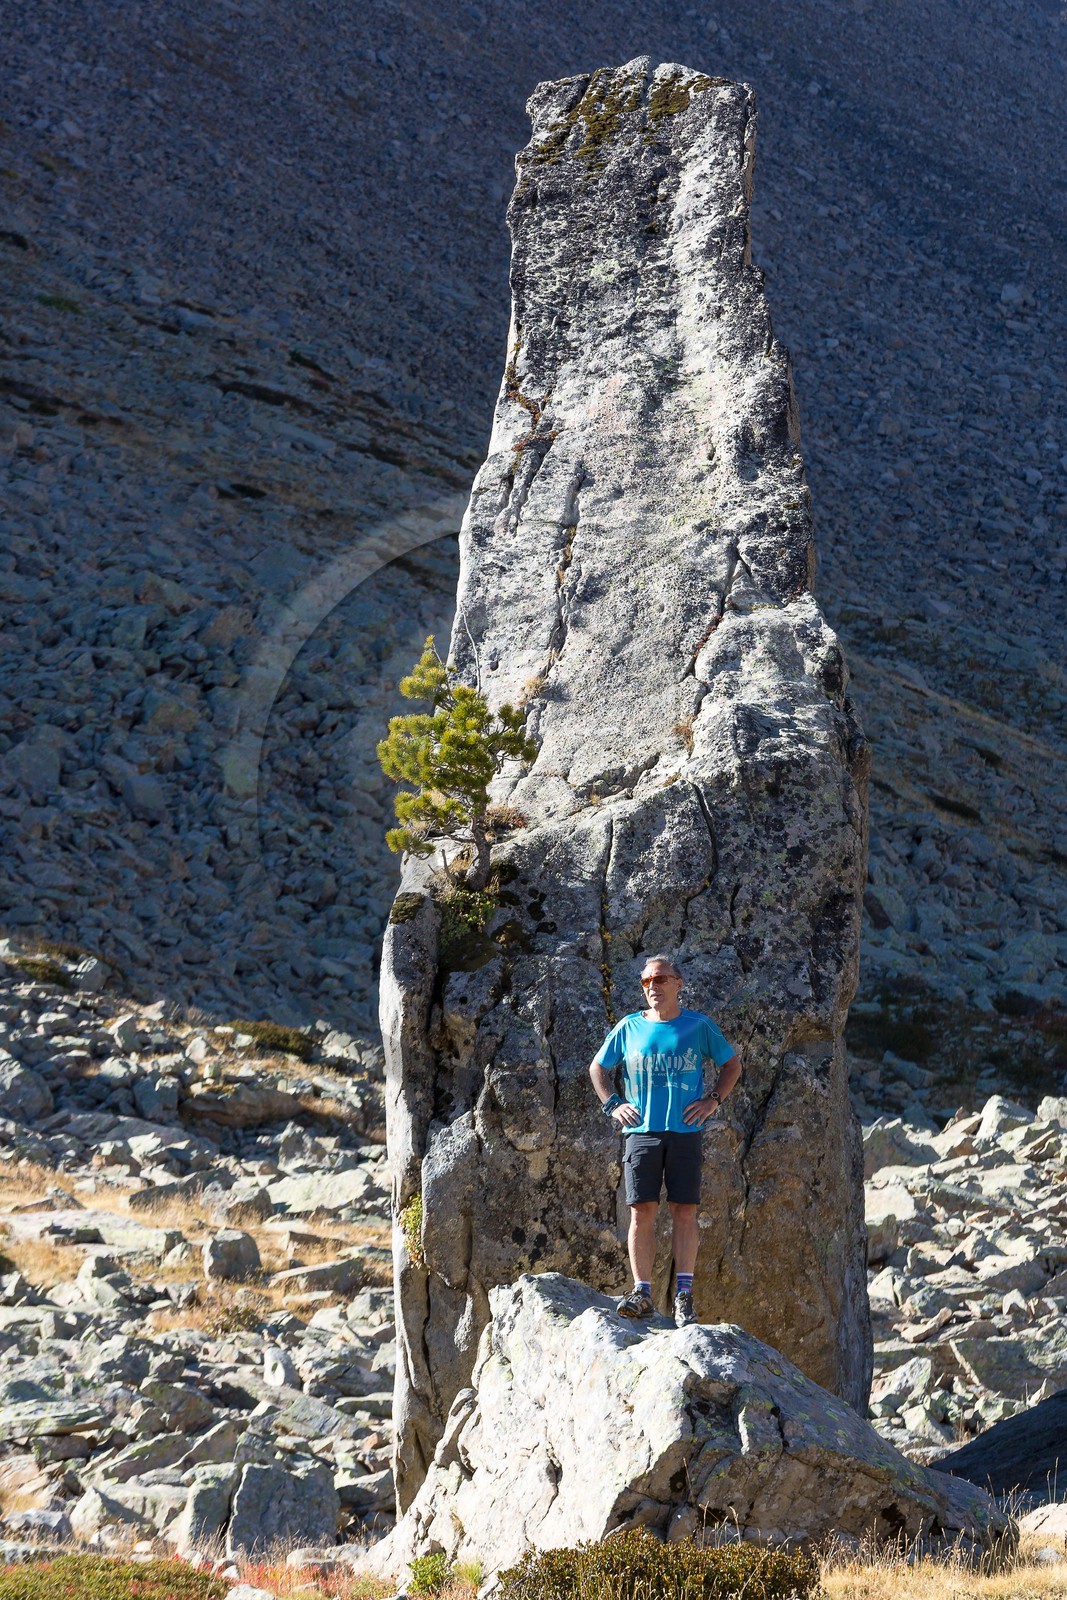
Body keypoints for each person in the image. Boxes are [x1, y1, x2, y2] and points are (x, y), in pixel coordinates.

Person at [589, 954, 742, 1328]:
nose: (652, 987)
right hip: (641, 1134)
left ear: (678, 983)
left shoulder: (698, 1026)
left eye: (660, 980)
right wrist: (614, 1104)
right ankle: (642, 1292)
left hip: (685, 1133)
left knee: (684, 1211)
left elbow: (732, 1065)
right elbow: (598, 1068)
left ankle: (684, 1297)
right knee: (642, 1212)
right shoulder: (628, 1027)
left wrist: (713, 1100)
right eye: (646, 982)